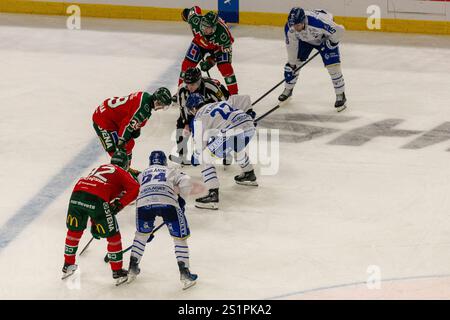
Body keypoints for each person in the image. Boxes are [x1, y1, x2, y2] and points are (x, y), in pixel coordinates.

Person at [62, 150, 140, 286]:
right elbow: (135, 189)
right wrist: (118, 205)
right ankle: (117, 271)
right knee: (113, 235)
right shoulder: (122, 172)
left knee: (74, 230)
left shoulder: (99, 167)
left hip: (77, 192)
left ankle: (68, 264)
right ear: (126, 164)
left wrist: (95, 222)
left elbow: (95, 190)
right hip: (97, 198)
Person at [127, 151, 197, 290]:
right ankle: (185, 274)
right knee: (179, 238)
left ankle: (132, 269)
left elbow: (134, 188)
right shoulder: (171, 170)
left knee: (141, 236)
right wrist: (181, 200)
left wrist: (147, 231)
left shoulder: (143, 173)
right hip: (168, 202)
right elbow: (186, 181)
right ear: (164, 161)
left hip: (143, 204)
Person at [186, 93, 258, 210]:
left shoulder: (198, 117)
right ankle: (249, 173)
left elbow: (200, 148)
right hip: (249, 125)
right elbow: (245, 98)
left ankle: (213, 194)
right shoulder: (220, 103)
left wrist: (195, 158)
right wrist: (249, 112)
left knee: (204, 158)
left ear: (193, 108)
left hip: (230, 132)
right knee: (236, 145)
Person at [279, 7, 347, 112]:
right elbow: (291, 46)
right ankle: (288, 90)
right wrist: (292, 65)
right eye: (293, 25)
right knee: (294, 65)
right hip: (305, 40)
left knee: (333, 66)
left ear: (303, 21)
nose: (295, 28)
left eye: (297, 25)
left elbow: (340, 30)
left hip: (324, 39)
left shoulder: (318, 22)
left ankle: (340, 94)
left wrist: (332, 42)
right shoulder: (290, 27)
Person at [92, 87, 172, 170]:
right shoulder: (143, 110)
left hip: (111, 115)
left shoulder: (145, 96)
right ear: (156, 100)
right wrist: (122, 139)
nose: (161, 108)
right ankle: (120, 172)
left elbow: (130, 114)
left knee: (129, 144)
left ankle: (126, 169)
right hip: (103, 120)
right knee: (117, 152)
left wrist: (136, 129)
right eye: (161, 104)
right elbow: (127, 124)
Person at [171, 67, 230, 166]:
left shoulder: (211, 88)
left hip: (214, 107)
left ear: (199, 81)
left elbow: (224, 105)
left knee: (219, 127)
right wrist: (186, 123)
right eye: (188, 84)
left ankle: (226, 152)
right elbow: (182, 108)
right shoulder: (182, 89)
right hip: (195, 108)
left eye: (193, 84)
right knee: (181, 124)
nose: (190, 87)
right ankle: (182, 155)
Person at [179, 7, 238, 95]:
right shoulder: (195, 21)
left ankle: (234, 95)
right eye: (203, 26)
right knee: (186, 66)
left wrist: (210, 61)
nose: (204, 30)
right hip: (199, 43)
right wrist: (186, 13)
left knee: (226, 68)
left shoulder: (223, 35)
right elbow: (195, 9)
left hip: (218, 47)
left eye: (208, 28)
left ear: (214, 28)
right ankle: (181, 92)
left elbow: (227, 47)